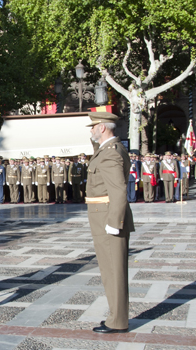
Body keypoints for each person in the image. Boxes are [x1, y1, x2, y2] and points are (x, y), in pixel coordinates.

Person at [85, 112, 134, 334]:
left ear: (103, 128)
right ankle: (116, 316)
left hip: (107, 216)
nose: (91, 131)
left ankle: (118, 320)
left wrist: (115, 222)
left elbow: (118, 190)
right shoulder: (107, 150)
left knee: (113, 270)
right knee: (109, 269)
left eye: (93, 127)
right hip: (102, 214)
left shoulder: (110, 153)